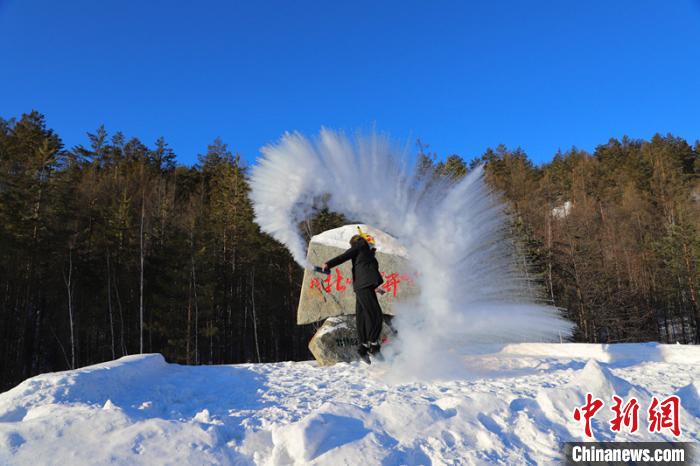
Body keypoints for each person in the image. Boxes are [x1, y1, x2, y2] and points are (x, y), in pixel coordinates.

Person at [322, 228, 386, 364]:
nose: (372, 241)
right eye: (369, 239)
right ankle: (373, 345)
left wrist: (376, 286)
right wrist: (329, 264)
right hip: (363, 286)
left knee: (362, 317)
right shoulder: (360, 246)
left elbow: (367, 270)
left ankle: (363, 347)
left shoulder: (367, 253)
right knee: (375, 315)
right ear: (361, 240)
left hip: (365, 286)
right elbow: (344, 256)